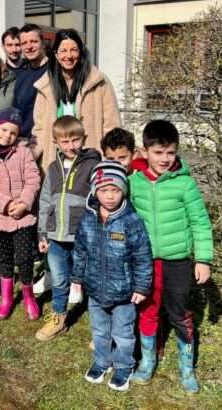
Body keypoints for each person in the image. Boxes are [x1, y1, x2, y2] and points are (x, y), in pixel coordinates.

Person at [128, 119, 214, 394]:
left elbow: (200, 222)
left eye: (171, 152)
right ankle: (147, 361)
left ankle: (187, 368)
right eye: (158, 152)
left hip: (177, 262)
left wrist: (203, 259)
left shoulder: (185, 184)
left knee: (179, 313)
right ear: (144, 152)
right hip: (145, 262)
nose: (165, 159)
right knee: (148, 310)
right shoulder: (133, 183)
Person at [71, 161, 153, 391]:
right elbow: (80, 251)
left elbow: (143, 256)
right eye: (104, 190)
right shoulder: (88, 219)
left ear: (123, 191)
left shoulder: (131, 221)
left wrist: (141, 287)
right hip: (95, 290)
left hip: (124, 293)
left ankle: (124, 366)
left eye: (115, 190)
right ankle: (102, 362)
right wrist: (76, 279)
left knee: (123, 333)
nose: (109, 196)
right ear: (95, 192)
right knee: (99, 331)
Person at [35, 116, 101, 341]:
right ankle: (58, 318)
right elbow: (45, 201)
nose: (71, 146)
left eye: (75, 140)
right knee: (59, 279)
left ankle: (100, 324)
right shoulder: (53, 168)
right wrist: (42, 233)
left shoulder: (92, 165)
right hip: (56, 237)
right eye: (65, 141)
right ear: (56, 142)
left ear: (84, 138)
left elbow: (99, 199)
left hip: (83, 237)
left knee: (91, 279)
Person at [0, 108, 41, 320]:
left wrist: (24, 203)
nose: (7, 136)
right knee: (5, 259)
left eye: (13, 133)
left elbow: (33, 179)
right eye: (4, 130)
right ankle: (7, 298)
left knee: (24, 258)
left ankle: (29, 296)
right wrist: (6, 204)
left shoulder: (23, 153)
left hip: (23, 218)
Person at [32, 28, 121, 172]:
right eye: (63, 51)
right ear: (55, 54)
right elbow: (40, 130)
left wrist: (109, 161)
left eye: (74, 50)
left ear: (81, 52)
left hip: (90, 161)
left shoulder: (99, 82)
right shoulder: (45, 86)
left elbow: (111, 125)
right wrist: (29, 157)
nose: (69, 56)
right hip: (56, 163)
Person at [12, 24, 49, 139]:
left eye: (33, 41)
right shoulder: (21, 76)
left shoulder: (55, 71)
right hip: (26, 141)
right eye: (24, 43)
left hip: (50, 140)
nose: (29, 47)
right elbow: (16, 112)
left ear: (43, 43)